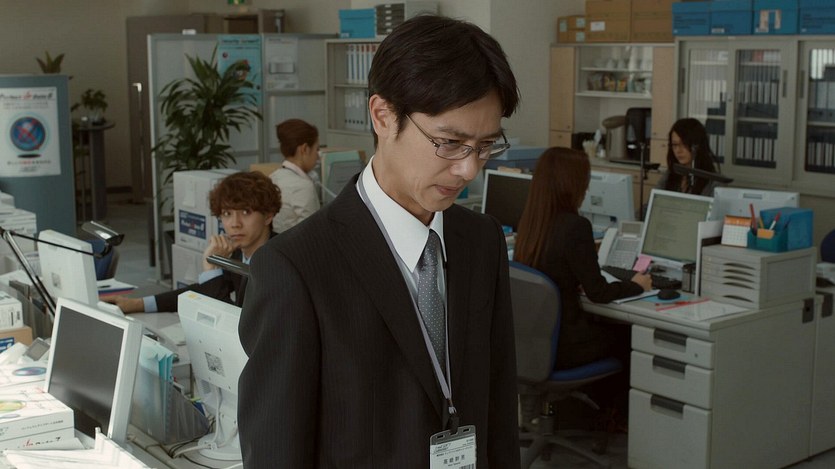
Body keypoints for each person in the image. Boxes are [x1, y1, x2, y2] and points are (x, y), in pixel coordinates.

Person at [238, 15, 521, 468]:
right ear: (383, 116)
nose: (469, 169)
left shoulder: (481, 240)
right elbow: (277, 453)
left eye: (485, 145)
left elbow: (500, 406)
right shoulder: (295, 268)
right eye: (450, 142)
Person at [513, 147, 652, 370]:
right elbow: (599, 293)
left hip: (534, 344)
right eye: (584, 179)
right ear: (572, 183)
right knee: (631, 336)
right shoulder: (575, 227)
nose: (586, 188)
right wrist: (637, 285)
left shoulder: (530, 222)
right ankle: (608, 395)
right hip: (565, 347)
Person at [106, 171, 281, 313]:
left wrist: (211, 269)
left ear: (268, 215)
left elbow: (231, 319)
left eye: (246, 212)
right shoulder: (239, 252)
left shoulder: (277, 263)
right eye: (227, 214)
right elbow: (204, 290)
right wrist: (138, 304)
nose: (235, 224)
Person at [269, 118, 321, 232]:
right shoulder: (303, 186)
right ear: (305, 149)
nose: (318, 156)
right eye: (316, 150)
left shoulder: (272, 178)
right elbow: (312, 232)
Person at [658, 117, 720, 196]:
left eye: (684, 144)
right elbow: (653, 200)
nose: (678, 150)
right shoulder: (670, 175)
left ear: (697, 146)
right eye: (675, 145)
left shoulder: (714, 182)